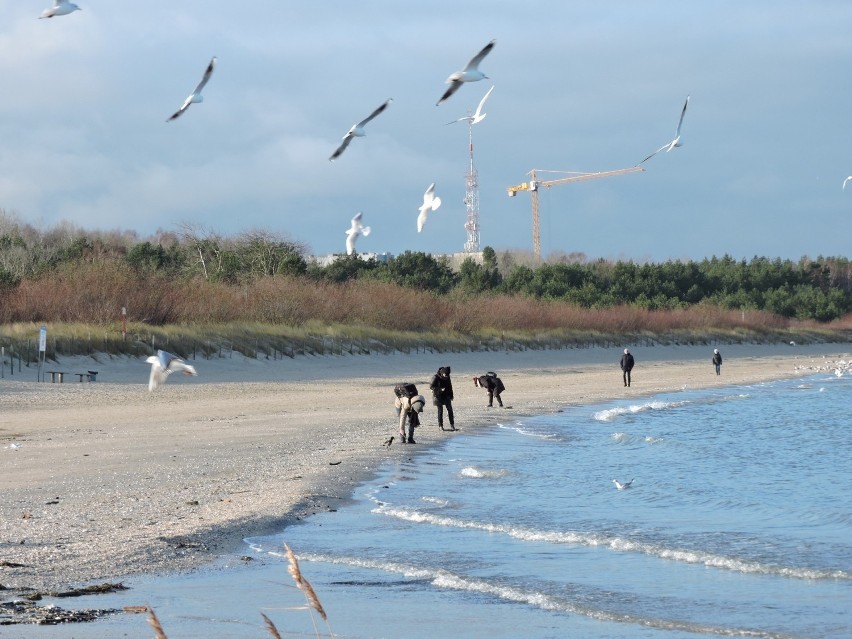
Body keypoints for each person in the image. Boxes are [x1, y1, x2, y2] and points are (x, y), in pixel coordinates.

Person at [429, 366, 455, 431]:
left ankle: (452, 425)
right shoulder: (435, 377)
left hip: (446, 395)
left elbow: (450, 386)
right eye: (445, 375)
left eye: (447, 375)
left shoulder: (447, 377)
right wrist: (440, 389)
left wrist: (451, 396)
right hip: (437, 396)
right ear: (441, 373)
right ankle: (440, 426)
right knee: (440, 411)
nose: (446, 376)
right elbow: (431, 386)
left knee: (450, 410)